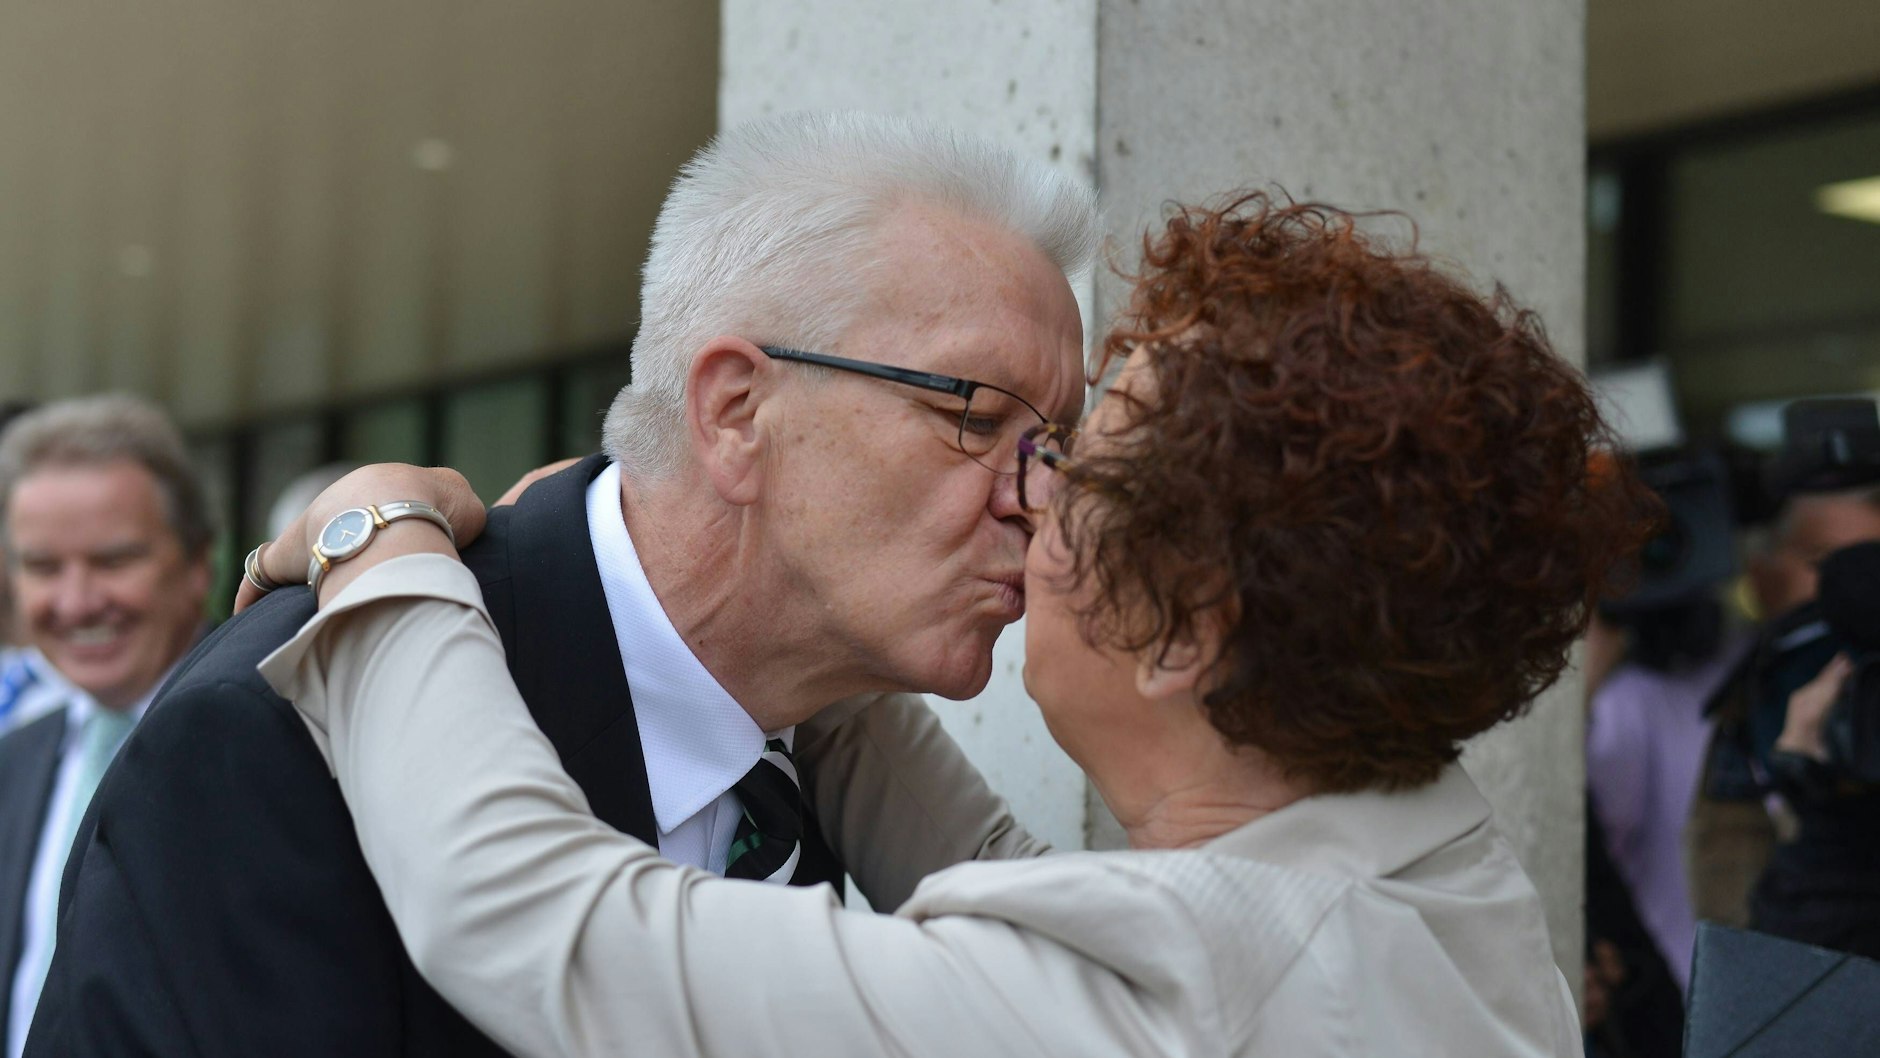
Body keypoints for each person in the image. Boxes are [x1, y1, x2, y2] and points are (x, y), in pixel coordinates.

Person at [260, 194, 1655, 1057]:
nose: (1024, 503)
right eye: (985, 426)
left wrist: (377, 542)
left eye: (1072, 466)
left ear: (1186, 638)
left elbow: (543, 923)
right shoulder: (1451, 878)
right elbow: (1020, 881)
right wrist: (806, 594)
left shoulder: (1180, 995)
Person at [27, 112, 1092, 1056]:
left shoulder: (822, 737)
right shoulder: (279, 730)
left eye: (1057, 446)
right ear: (732, 412)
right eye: (977, 416)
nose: (1035, 500)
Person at [0, 395, 214, 1058]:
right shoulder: (13, 761)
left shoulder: (283, 744)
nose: (77, 601)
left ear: (197, 567)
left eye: (114, 560)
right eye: (43, 567)